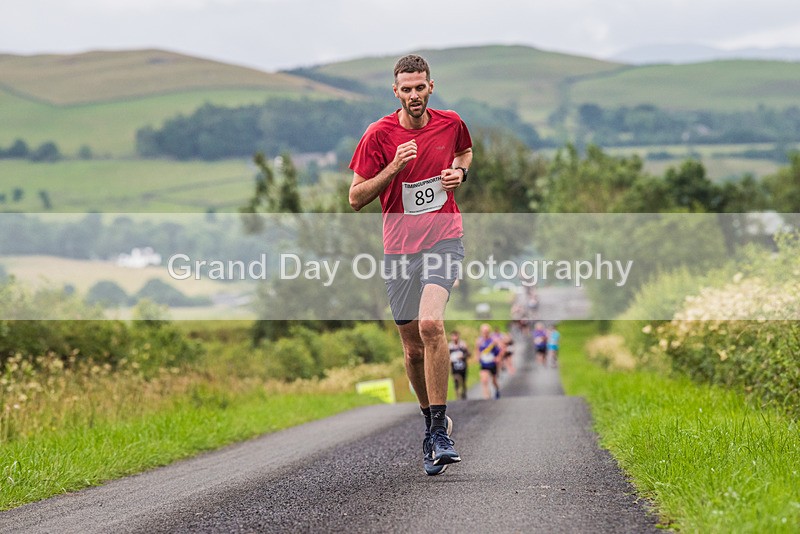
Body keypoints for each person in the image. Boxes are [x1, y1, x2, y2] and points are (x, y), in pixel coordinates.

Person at [348, 54, 472, 476]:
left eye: (421, 87)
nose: (415, 95)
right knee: (411, 349)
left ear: (431, 87)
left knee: (431, 325)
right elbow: (355, 198)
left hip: (444, 238)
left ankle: (440, 430)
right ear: (396, 92)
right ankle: (429, 423)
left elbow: (466, 152)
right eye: (407, 89)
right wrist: (394, 167)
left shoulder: (451, 122)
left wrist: (459, 172)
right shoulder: (378, 135)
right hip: (399, 250)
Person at [476, 323, 504, 400]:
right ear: (481, 332)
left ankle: (497, 389)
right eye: (483, 331)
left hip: (493, 363)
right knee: (484, 380)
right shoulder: (479, 341)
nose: (485, 333)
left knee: (494, 381)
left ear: (489, 331)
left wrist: (498, 357)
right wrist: (478, 357)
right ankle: (487, 398)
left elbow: (501, 350)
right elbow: (477, 350)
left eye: (487, 331)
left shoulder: (494, 340)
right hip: (484, 363)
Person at [448, 330, 469, 400]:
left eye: (456, 336)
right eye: (453, 336)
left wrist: (462, 356)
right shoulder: (449, 346)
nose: (455, 338)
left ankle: (464, 392)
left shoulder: (463, 344)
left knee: (463, 381)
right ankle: (457, 396)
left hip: (463, 367)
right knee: (456, 380)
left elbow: (468, 354)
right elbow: (446, 357)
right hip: (454, 367)